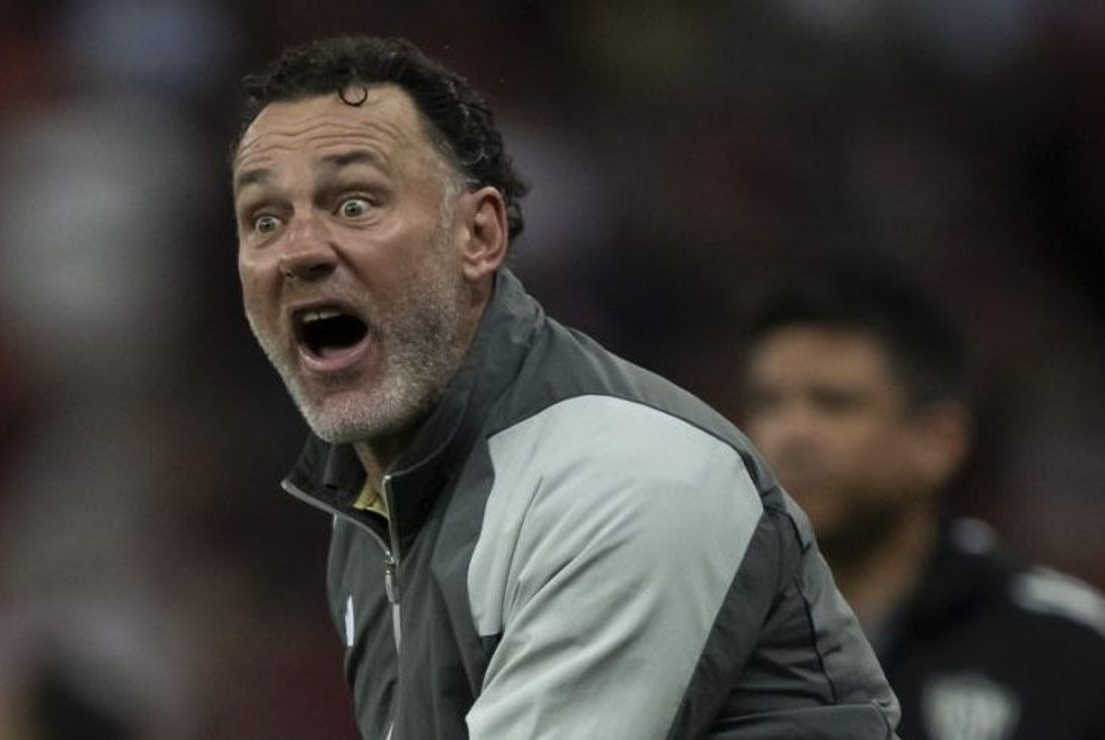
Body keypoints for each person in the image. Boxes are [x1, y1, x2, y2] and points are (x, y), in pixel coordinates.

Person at [232, 36, 898, 739]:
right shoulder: (372, 510)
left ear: (478, 235)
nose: (298, 250)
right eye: (264, 220)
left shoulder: (628, 477)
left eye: (355, 204)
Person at [742, 259, 1105, 740]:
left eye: (834, 403)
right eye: (767, 403)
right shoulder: (715, 627)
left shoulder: (1067, 650)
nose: (791, 435)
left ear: (939, 440)